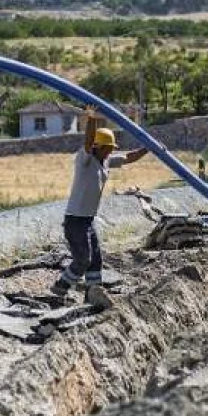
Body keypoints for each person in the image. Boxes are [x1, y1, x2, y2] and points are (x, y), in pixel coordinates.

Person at [51, 108, 148, 308]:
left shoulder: (106, 161)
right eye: (108, 147)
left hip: (87, 220)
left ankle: (92, 295)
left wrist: (149, 147)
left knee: (95, 261)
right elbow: (87, 141)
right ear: (98, 147)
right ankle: (61, 286)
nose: (111, 151)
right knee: (83, 260)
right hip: (75, 220)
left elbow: (129, 157)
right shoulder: (85, 160)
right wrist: (92, 118)